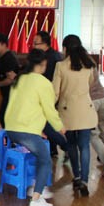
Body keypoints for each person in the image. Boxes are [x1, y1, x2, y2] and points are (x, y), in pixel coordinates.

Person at [5, 49, 65, 206]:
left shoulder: (20, 79)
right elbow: (49, 110)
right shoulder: (43, 82)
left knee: (38, 154)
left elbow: (19, 106)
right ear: (43, 64)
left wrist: (36, 130)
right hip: (26, 131)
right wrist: (59, 127)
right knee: (45, 160)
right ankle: (36, 200)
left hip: (12, 128)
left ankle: (36, 186)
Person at [53, 34, 98, 197]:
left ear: (65, 48)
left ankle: (77, 176)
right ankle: (85, 180)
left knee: (71, 144)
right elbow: (90, 84)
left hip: (68, 111)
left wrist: (48, 108)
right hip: (86, 110)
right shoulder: (89, 65)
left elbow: (55, 92)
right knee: (85, 146)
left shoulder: (60, 66)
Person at [33, 30, 67, 159]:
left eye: (36, 43)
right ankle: (54, 149)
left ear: (45, 44)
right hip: (48, 95)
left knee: (48, 125)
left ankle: (64, 146)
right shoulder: (50, 55)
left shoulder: (52, 58)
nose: (34, 46)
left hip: (51, 95)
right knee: (48, 124)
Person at [0, 33, 19, 128]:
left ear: (4, 44)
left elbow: (10, 79)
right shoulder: (2, 58)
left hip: (12, 94)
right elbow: (1, 73)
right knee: (5, 117)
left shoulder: (8, 58)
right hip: (7, 94)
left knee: (3, 117)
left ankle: (11, 136)